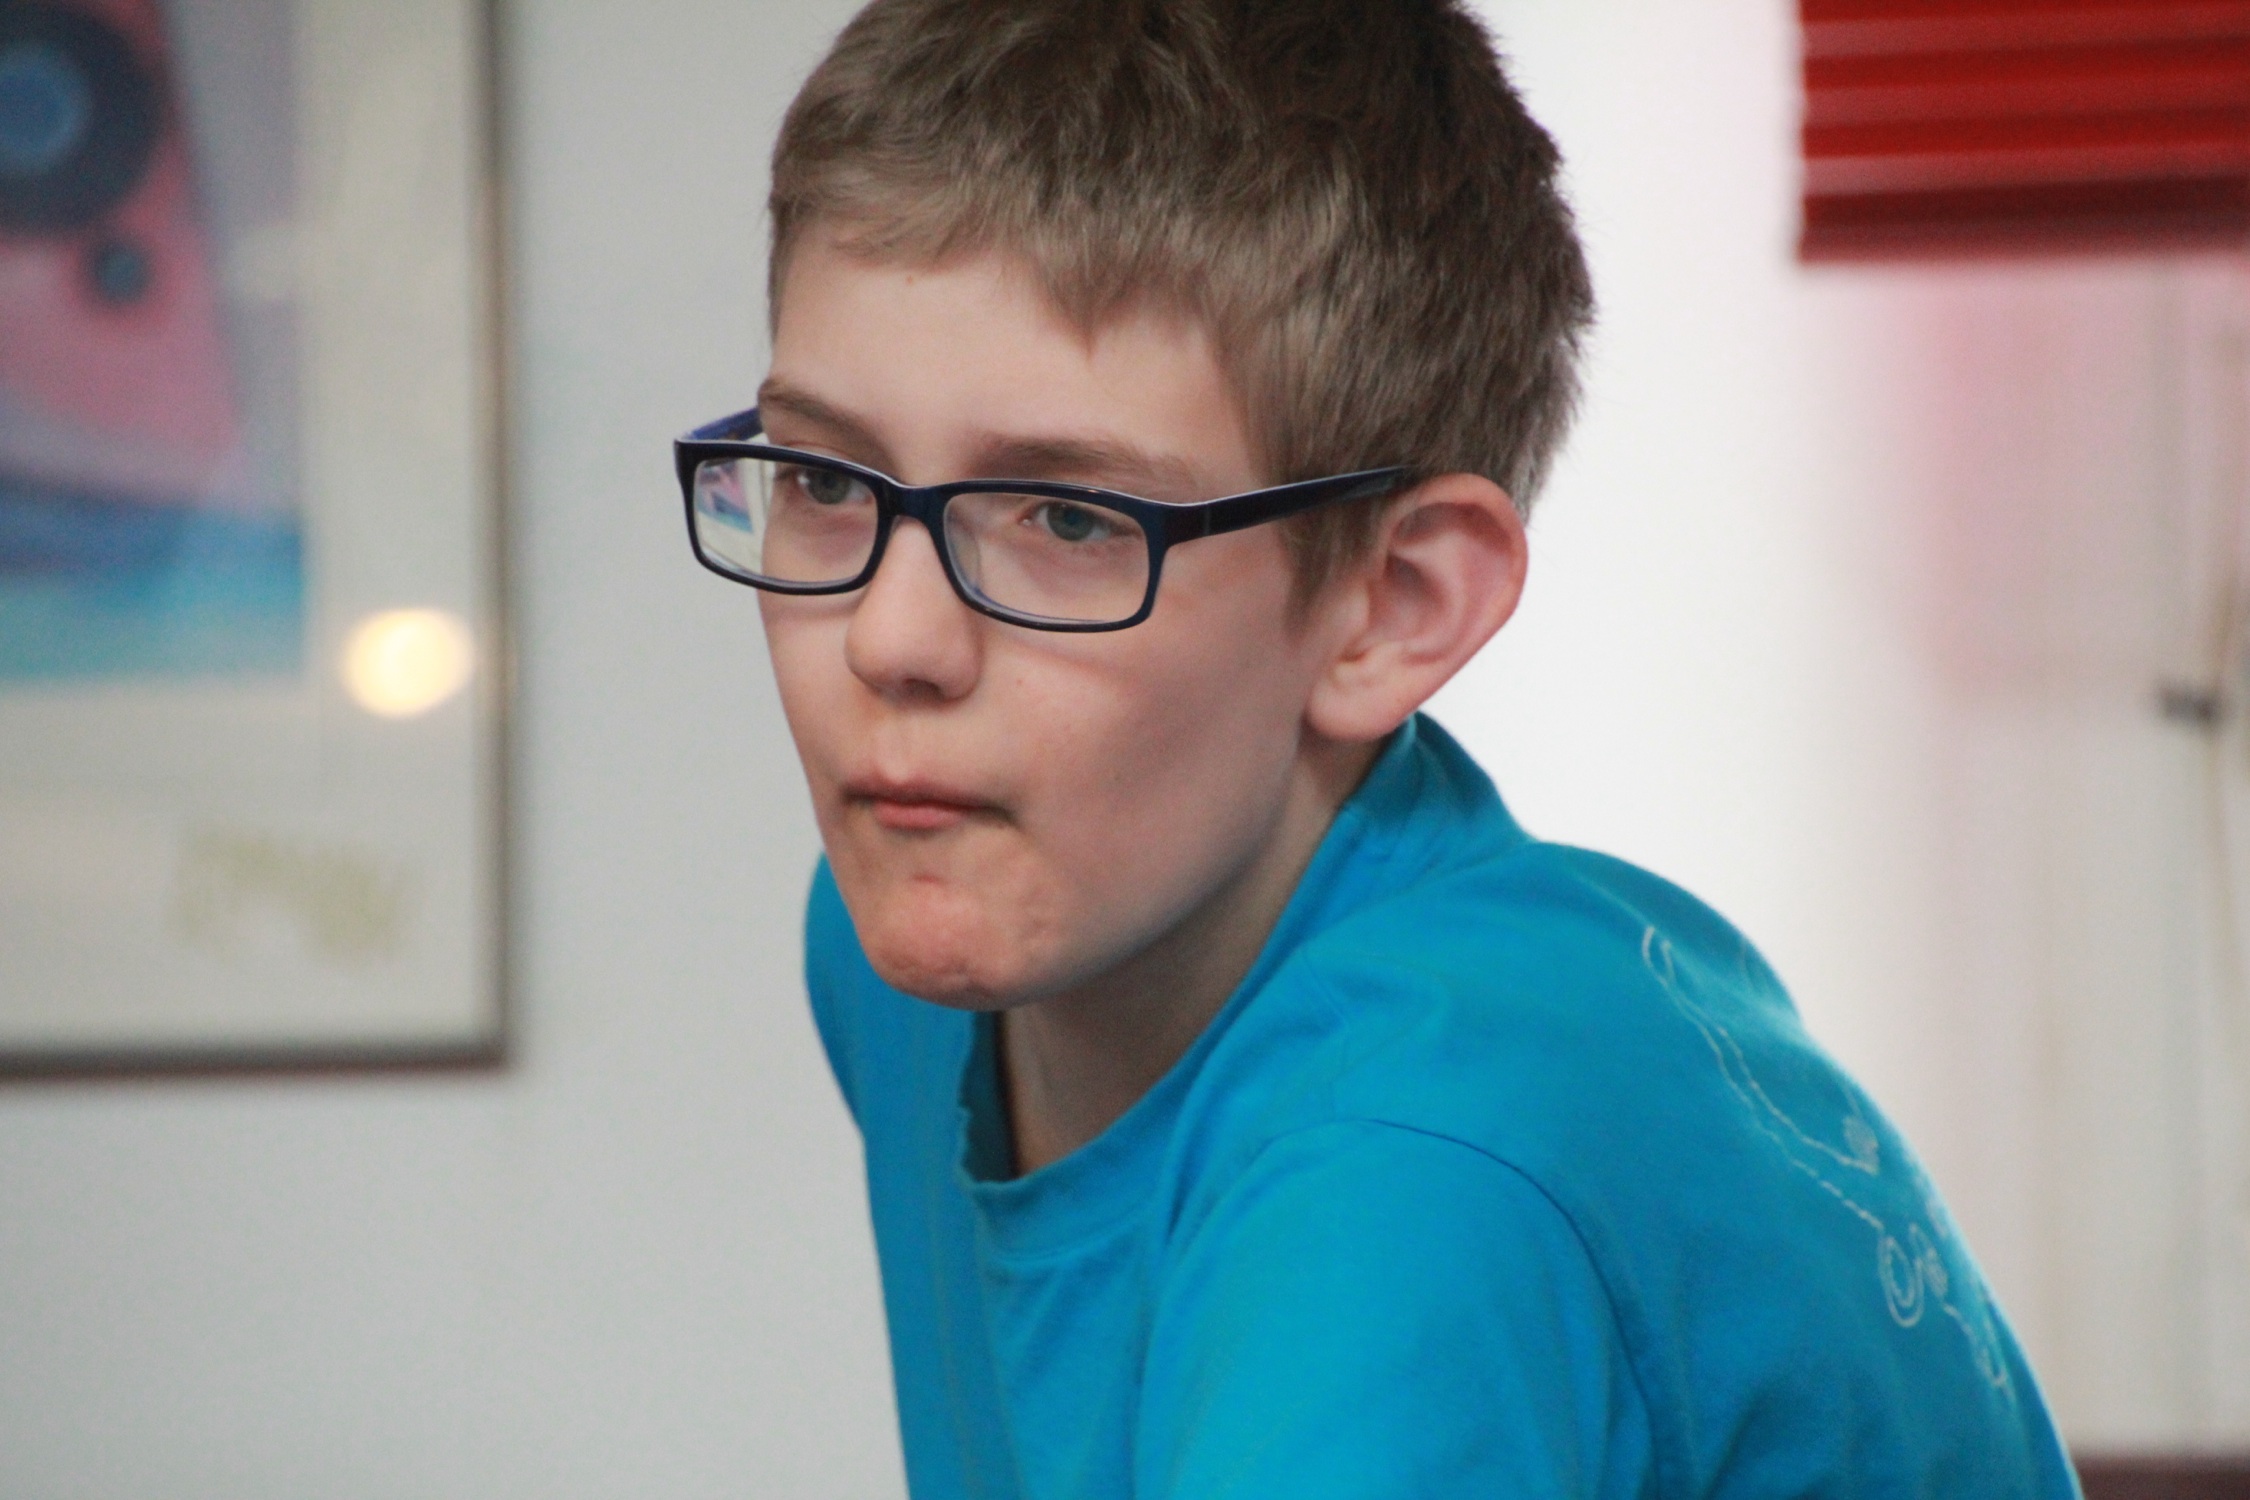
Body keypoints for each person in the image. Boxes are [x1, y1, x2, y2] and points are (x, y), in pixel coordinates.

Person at [672, 0, 2082, 1494]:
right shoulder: (915, 949)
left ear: (1393, 606)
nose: (889, 640)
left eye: (1069, 519)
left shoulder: (1413, 1172)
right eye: (824, 480)